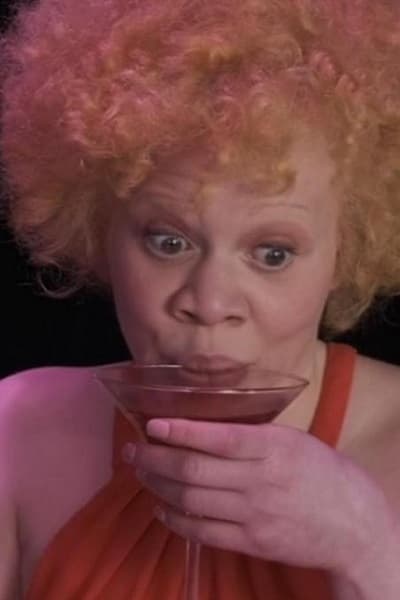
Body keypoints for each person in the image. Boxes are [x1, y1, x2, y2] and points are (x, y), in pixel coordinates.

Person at [1, 0, 400, 598]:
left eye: (273, 253)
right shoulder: (16, 433)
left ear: (348, 249)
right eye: (169, 242)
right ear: (98, 228)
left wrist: (371, 554)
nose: (210, 304)